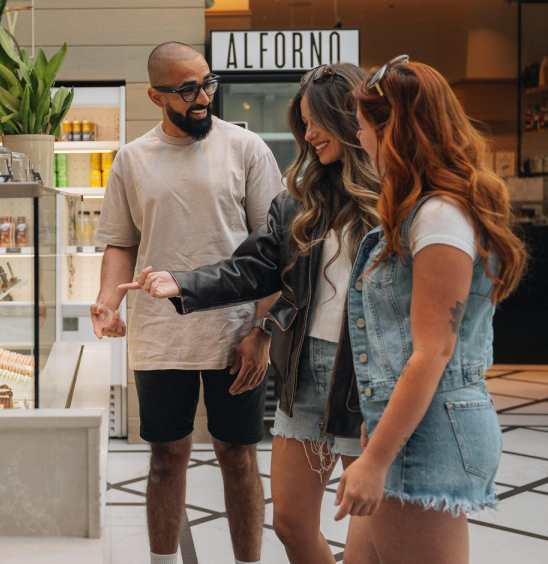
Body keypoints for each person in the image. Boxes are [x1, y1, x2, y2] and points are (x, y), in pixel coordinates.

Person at [120, 63, 382, 564]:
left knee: (372, 532)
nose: (307, 134)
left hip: (364, 377)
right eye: (302, 123)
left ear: (350, 118)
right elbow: (254, 266)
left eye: (315, 121)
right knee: (290, 523)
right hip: (304, 371)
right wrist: (182, 284)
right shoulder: (302, 201)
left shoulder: (397, 196)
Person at [89, 42, 283, 564]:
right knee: (165, 459)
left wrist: (262, 331)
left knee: (238, 457)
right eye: (188, 89)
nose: (203, 98)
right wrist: (108, 301)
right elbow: (121, 243)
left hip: (235, 333)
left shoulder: (247, 149)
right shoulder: (132, 159)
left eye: (207, 84)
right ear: (156, 95)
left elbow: (275, 249)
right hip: (159, 334)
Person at [332, 56, 528, 564]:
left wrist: (375, 459)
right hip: (407, 428)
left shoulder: (439, 215)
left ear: (390, 130)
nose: (361, 140)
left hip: (427, 436)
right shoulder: (421, 211)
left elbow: (433, 351)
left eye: (363, 127)